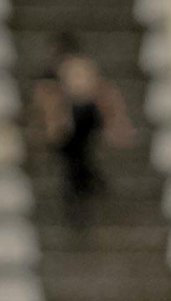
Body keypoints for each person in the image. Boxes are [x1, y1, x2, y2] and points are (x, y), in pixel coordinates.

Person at [31, 34, 134, 208]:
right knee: (76, 158)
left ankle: (84, 188)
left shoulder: (75, 67)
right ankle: (88, 185)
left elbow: (97, 93)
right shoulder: (54, 76)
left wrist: (116, 123)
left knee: (76, 157)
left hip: (82, 116)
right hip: (72, 119)